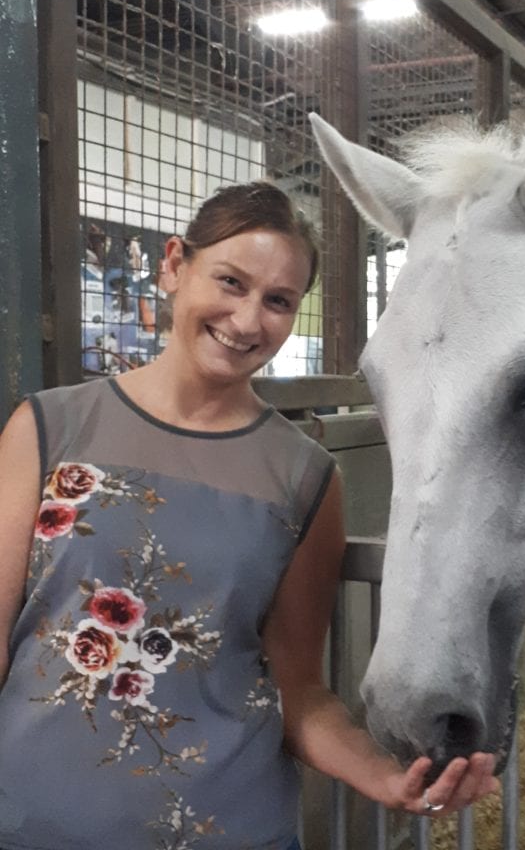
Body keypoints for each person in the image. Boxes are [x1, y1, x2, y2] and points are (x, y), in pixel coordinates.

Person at [0, 180, 498, 850]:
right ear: (175, 264)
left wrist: (385, 779)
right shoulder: (48, 428)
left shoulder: (303, 476)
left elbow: (298, 689)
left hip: (227, 826)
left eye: (278, 301)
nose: (247, 319)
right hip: (35, 820)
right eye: (230, 282)